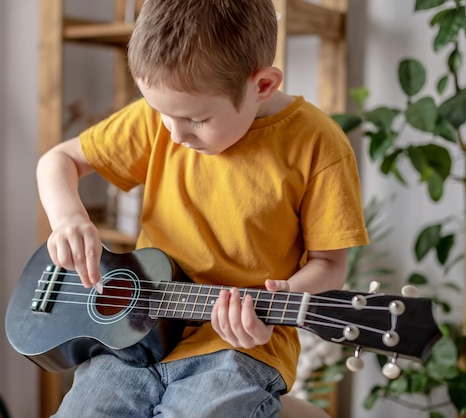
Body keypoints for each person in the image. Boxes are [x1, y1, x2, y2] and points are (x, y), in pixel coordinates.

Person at [36, 0, 369, 416]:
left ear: (262, 85)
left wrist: (279, 300)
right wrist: (68, 218)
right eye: (160, 113)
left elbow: (330, 265)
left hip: (241, 349)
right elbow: (58, 161)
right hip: (133, 338)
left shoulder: (319, 143)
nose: (174, 134)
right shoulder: (164, 115)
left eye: (196, 119)